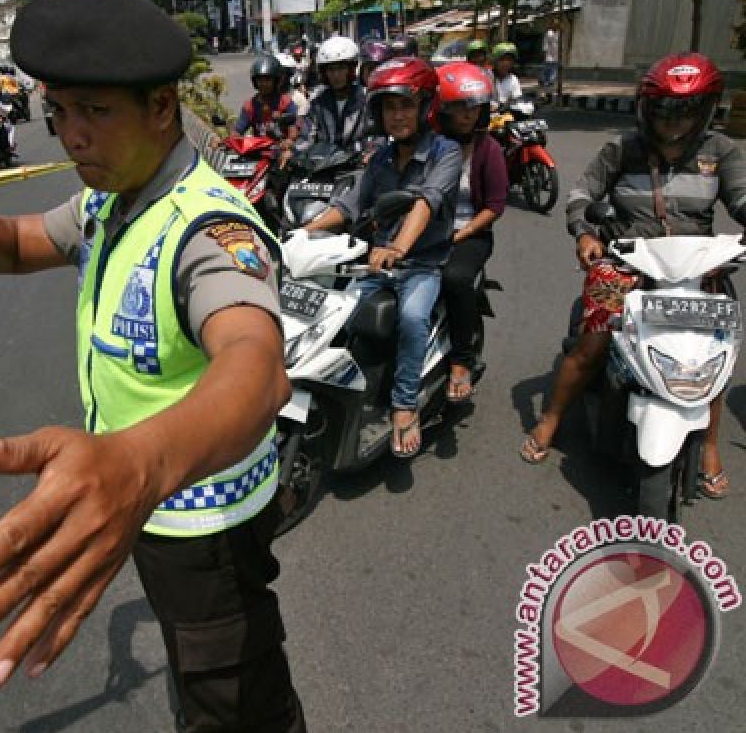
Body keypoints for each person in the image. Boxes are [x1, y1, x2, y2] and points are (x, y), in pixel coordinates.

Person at [0, 0, 308, 733]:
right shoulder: (109, 200)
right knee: (199, 678)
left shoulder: (210, 228)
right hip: (142, 501)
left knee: (238, 706)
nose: (71, 137)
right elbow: (16, 246)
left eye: (94, 112)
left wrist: (139, 463)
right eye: (59, 112)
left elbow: (256, 364)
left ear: (161, 107)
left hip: (203, 525)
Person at [520, 52, 746, 502]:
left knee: (715, 351)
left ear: (705, 110)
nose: (674, 121)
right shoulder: (622, 148)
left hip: (696, 266)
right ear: (649, 109)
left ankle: (710, 446)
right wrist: (585, 233)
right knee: (592, 344)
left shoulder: (721, 151)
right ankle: (551, 418)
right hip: (628, 260)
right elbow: (583, 194)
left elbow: (741, 199)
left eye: (686, 110)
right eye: (664, 109)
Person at [305, 57, 462, 457]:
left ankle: (404, 403)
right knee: (335, 313)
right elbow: (350, 206)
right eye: (389, 107)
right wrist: (299, 235)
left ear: (426, 105)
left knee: (411, 318)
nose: (397, 115)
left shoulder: (446, 153)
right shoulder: (380, 158)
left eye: (405, 105)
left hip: (422, 263)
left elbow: (426, 203)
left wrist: (398, 248)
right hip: (377, 262)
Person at [435, 62, 509, 403]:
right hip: (427, 231)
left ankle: (461, 362)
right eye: (458, 107)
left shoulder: (489, 149)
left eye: (472, 107)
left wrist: (458, 236)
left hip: (471, 234)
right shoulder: (431, 145)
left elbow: (493, 207)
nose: (466, 115)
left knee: (454, 278)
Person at [299, 35, 368, 148]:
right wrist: (294, 151)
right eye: (331, 69)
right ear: (324, 73)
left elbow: (376, 136)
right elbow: (306, 136)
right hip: (324, 163)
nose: (336, 75)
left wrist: (370, 151)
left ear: (351, 69)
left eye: (341, 68)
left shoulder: (366, 100)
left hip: (359, 163)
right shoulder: (317, 103)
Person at [234, 53, 301, 168]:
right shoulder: (250, 105)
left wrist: (288, 142)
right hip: (257, 155)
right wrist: (230, 141)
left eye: (267, 79)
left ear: (276, 80)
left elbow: (293, 133)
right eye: (260, 80)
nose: (263, 84)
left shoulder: (286, 103)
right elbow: (238, 130)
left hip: (281, 154)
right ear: (255, 81)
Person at [539, 23, 559, 88]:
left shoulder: (558, 33)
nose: (556, 26)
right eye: (554, 24)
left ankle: (551, 81)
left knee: (554, 68)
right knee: (547, 67)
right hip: (549, 53)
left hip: (556, 53)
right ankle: (543, 80)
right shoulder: (549, 33)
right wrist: (545, 52)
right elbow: (546, 43)